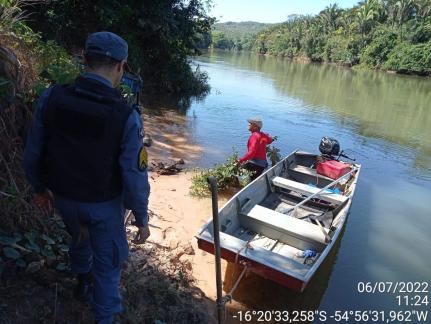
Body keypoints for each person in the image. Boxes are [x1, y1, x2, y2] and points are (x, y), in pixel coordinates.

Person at [22, 31, 150, 324]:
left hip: (63, 199)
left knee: (79, 238)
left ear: (84, 58)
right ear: (121, 66)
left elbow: (33, 151)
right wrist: (141, 218)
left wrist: (39, 188)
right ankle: (103, 317)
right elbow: (134, 176)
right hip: (103, 207)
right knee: (108, 269)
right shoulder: (125, 115)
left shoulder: (52, 96)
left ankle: (81, 283)